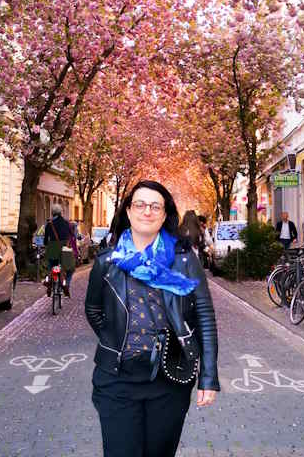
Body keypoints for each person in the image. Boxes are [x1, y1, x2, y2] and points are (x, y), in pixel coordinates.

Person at [85, 180, 219, 457]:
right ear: (129, 211)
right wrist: (116, 339)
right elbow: (94, 311)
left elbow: (204, 315)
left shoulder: (183, 260)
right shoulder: (107, 261)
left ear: (165, 214)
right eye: (140, 204)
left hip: (169, 379)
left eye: (155, 206)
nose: (147, 211)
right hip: (116, 380)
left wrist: (208, 376)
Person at [44, 203, 73, 297]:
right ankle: (66, 285)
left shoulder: (49, 224)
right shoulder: (67, 223)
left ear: (52, 213)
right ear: (61, 213)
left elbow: (45, 240)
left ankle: (48, 280)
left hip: (52, 247)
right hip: (64, 248)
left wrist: (46, 244)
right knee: (70, 269)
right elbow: (72, 235)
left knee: (51, 266)